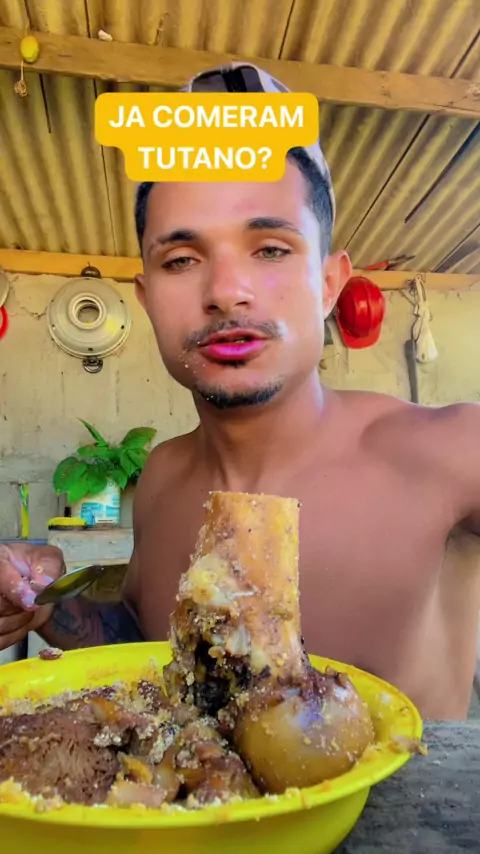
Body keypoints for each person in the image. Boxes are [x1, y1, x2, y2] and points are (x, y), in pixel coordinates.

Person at [1, 63, 479, 721]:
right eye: (181, 260)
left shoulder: (452, 452)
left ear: (329, 284)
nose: (227, 291)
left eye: (271, 249)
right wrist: (50, 604)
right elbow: (147, 646)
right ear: (147, 297)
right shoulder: (163, 478)